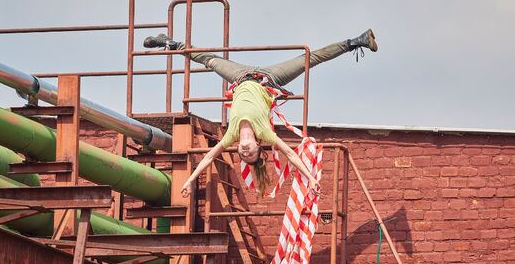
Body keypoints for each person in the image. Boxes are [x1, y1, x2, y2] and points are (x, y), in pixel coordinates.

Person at [143, 30, 378, 196]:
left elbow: (207, 158)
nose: (245, 151)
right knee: (308, 59)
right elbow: (292, 156)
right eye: (251, 154)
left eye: (243, 155)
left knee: (210, 60)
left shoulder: (231, 135)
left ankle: (171, 43)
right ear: (257, 147)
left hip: (240, 76)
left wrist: (189, 182)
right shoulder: (265, 132)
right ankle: (356, 41)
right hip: (269, 78)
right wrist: (312, 178)